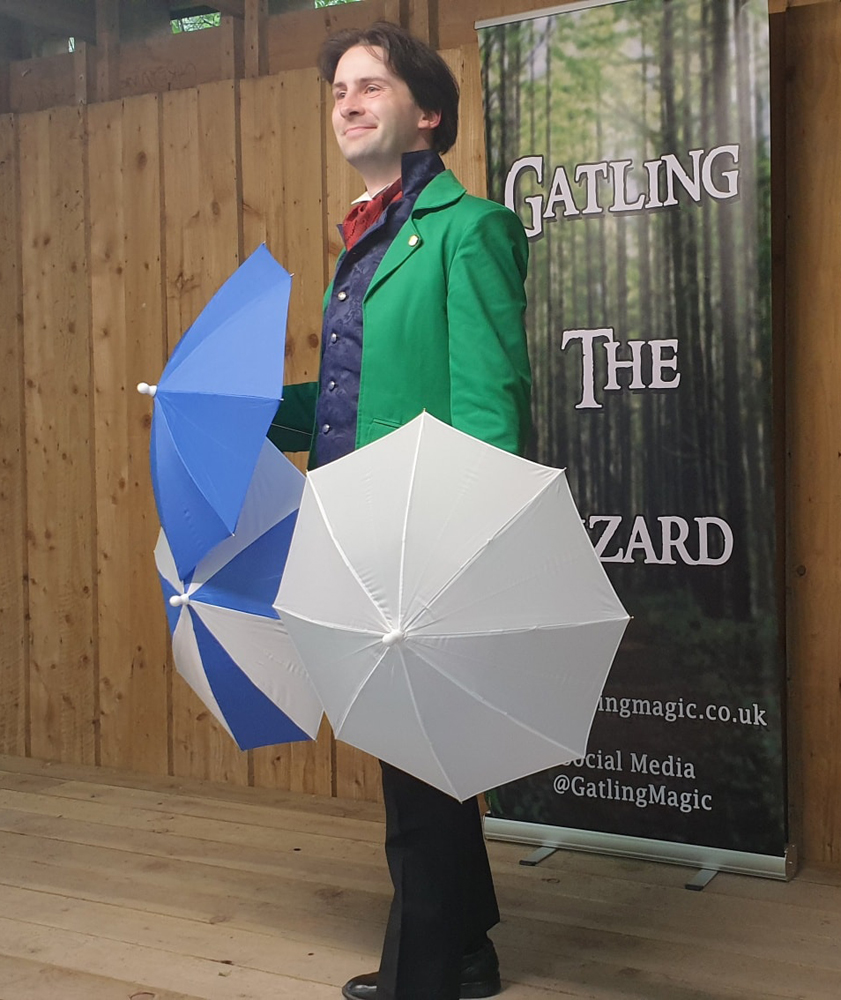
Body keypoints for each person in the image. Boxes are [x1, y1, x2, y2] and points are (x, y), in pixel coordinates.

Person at [271, 21, 531, 1000]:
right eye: (338, 86)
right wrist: (264, 414)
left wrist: (464, 540)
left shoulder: (467, 231)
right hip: (358, 520)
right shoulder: (367, 236)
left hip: (427, 525)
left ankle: (422, 976)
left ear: (428, 113)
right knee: (414, 750)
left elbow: (487, 403)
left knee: (415, 768)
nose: (345, 99)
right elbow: (356, 394)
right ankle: (467, 945)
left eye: (370, 84)